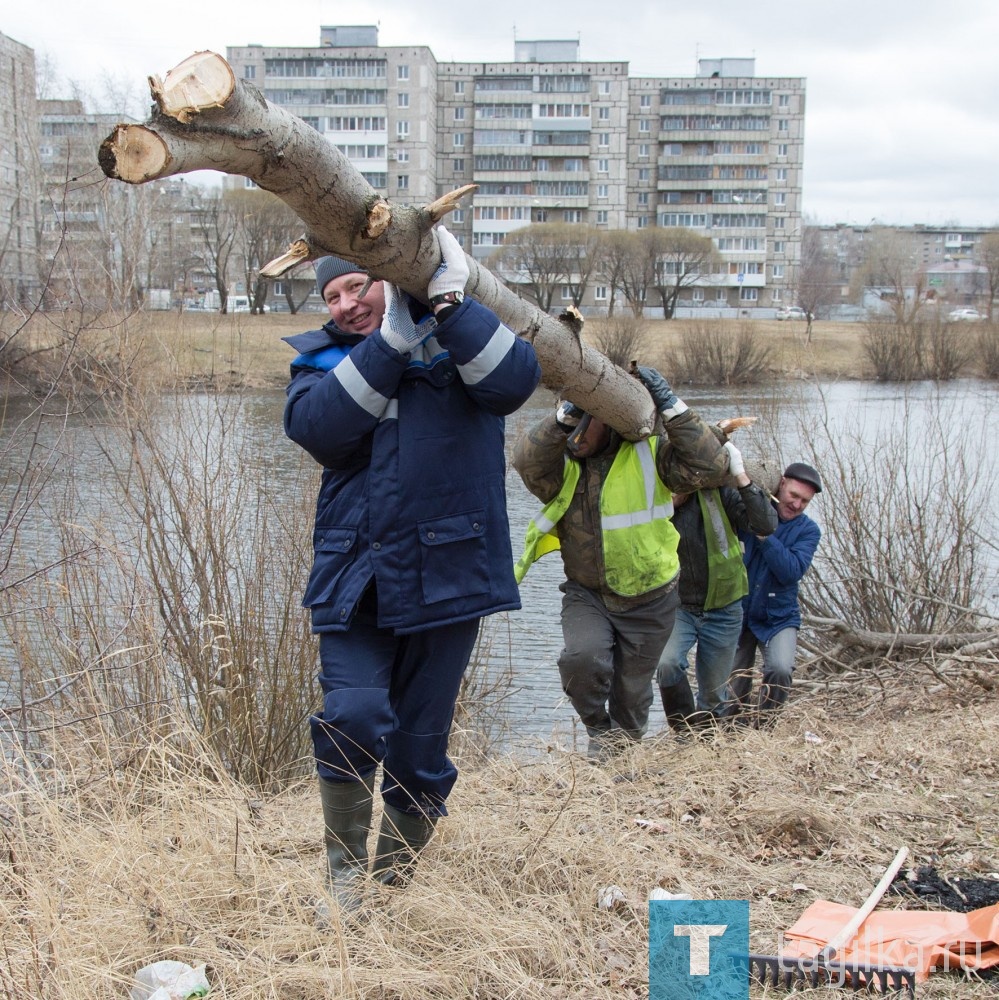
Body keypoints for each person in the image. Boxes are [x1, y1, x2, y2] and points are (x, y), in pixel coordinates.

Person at [282, 226, 540, 910]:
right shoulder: (319, 365)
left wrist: (450, 305)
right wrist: (390, 343)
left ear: (389, 277)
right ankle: (343, 882)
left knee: (419, 755)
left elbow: (515, 382)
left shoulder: (460, 345)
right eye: (330, 294)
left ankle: (391, 886)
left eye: (355, 284)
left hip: (448, 581)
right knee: (353, 714)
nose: (342, 304)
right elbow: (318, 432)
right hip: (354, 580)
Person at [512, 367, 732, 761]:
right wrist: (565, 415)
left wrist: (671, 407)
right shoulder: (563, 465)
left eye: (589, 422)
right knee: (581, 659)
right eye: (578, 420)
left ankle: (618, 771)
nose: (579, 435)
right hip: (588, 593)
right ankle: (599, 729)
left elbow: (711, 465)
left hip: (651, 600)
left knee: (631, 697)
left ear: (613, 424)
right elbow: (526, 462)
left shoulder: (652, 454)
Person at [656, 443, 778, 735]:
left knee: (714, 696)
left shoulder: (722, 491)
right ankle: (684, 733)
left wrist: (742, 478)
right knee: (667, 664)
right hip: (678, 604)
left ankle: (706, 744)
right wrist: (672, 502)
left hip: (724, 606)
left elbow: (766, 523)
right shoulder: (661, 494)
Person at [728, 461, 823, 728]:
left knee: (780, 669)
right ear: (781, 484)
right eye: (794, 495)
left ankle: (765, 727)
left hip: (779, 616)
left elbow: (790, 571)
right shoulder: (747, 510)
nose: (797, 505)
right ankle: (734, 732)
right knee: (734, 680)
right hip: (740, 610)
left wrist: (764, 533)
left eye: (805, 501)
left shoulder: (808, 531)